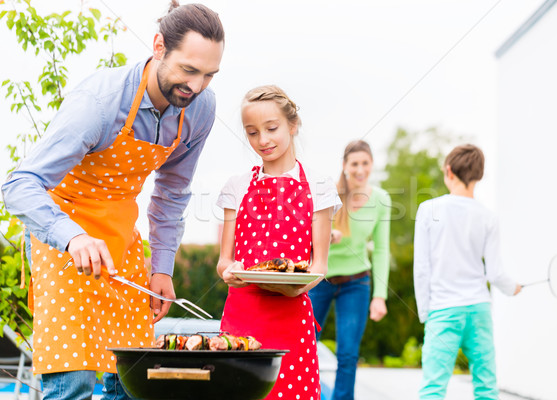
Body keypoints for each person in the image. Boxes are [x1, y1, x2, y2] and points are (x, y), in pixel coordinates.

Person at [1, 2, 224, 399]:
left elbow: (173, 192)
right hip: (63, 237)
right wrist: (72, 237)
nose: (197, 86)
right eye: (188, 70)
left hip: (121, 237)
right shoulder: (99, 103)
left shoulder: (200, 109)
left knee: (131, 380)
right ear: (158, 46)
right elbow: (20, 184)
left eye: (209, 74)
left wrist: (162, 267)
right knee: (74, 381)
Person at [216, 85, 341, 400]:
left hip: (291, 318)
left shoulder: (319, 187)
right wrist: (230, 272)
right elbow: (224, 260)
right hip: (242, 316)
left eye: (271, 129)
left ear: (293, 125)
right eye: (252, 132)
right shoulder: (237, 186)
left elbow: (319, 267)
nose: (263, 140)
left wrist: (296, 287)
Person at [413, 144, 522, 399]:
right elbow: (494, 274)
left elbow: (421, 269)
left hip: (443, 310)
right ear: (479, 176)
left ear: (448, 171)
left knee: (433, 388)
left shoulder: (428, 209)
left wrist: (425, 312)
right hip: (479, 310)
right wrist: (512, 287)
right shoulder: (488, 216)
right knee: (486, 387)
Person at [308, 140, 391, 400]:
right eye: (354, 163)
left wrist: (380, 296)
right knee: (307, 345)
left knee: (348, 354)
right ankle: (311, 394)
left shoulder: (381, 199)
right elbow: (304, 236)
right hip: (320, 280)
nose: (360, 169)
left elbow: (381, 249)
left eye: (365, 163)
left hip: (357, 283)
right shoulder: (328, 194)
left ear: (372, 165)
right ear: (345, 166)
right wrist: (323, 235)